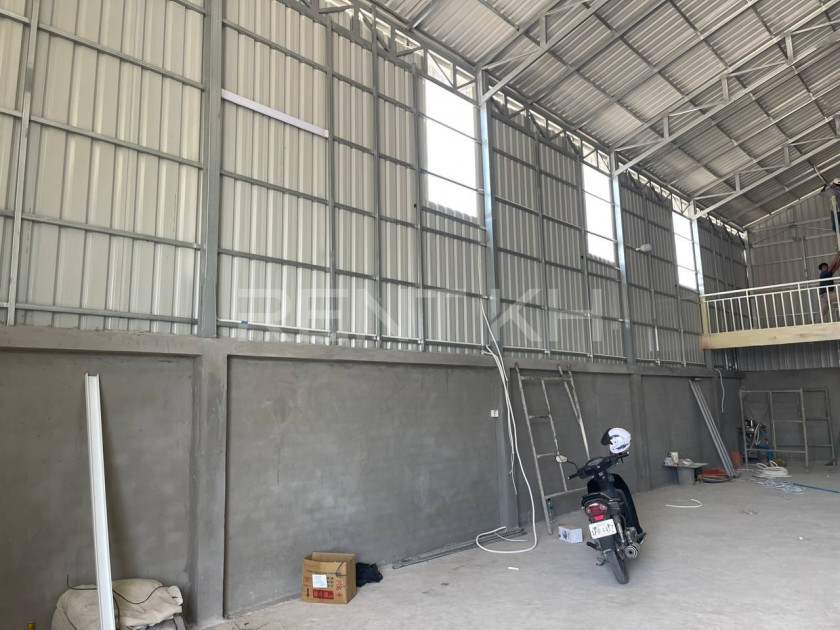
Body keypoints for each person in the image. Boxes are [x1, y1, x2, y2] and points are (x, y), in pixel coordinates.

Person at [818, 252, 840, 317]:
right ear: (821, 270)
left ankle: (815, 322)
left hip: (825, 295)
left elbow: (836, 266)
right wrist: (838, 254)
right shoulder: (823, 274)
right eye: (824, 267)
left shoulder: (828, 274)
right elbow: (832, 265)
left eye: (826, 266)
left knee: (823, 312)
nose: (826, 267)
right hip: (826, 294)